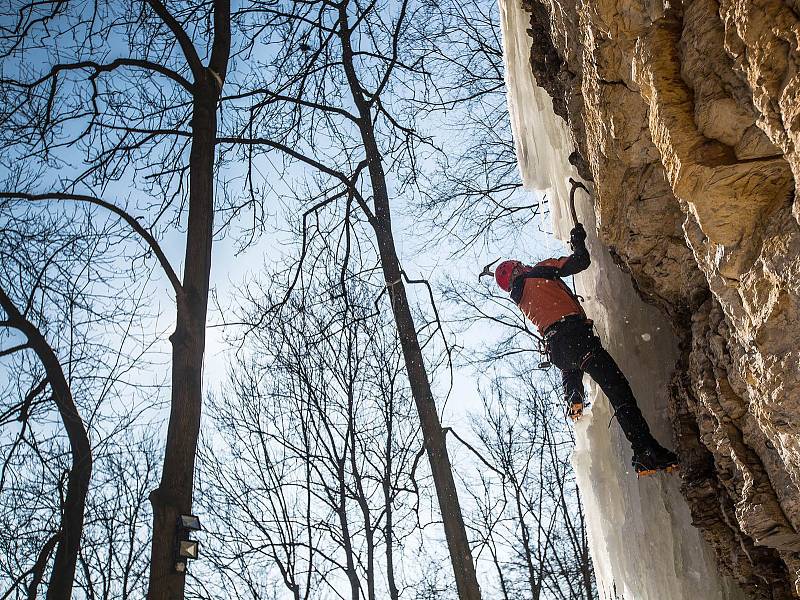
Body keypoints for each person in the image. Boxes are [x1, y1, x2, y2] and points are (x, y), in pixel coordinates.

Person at [493, 223, 679, 476]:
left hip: (559, 350)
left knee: (573, 362)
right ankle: (645, 451)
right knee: (618, 390)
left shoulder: (523, 299)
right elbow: (581, 261)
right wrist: (578, 238)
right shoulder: (540, 272)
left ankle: (573, 394)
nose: (525, 266)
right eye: (520, 265)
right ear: (518, 269)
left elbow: (558, 336)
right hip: (576, 336)